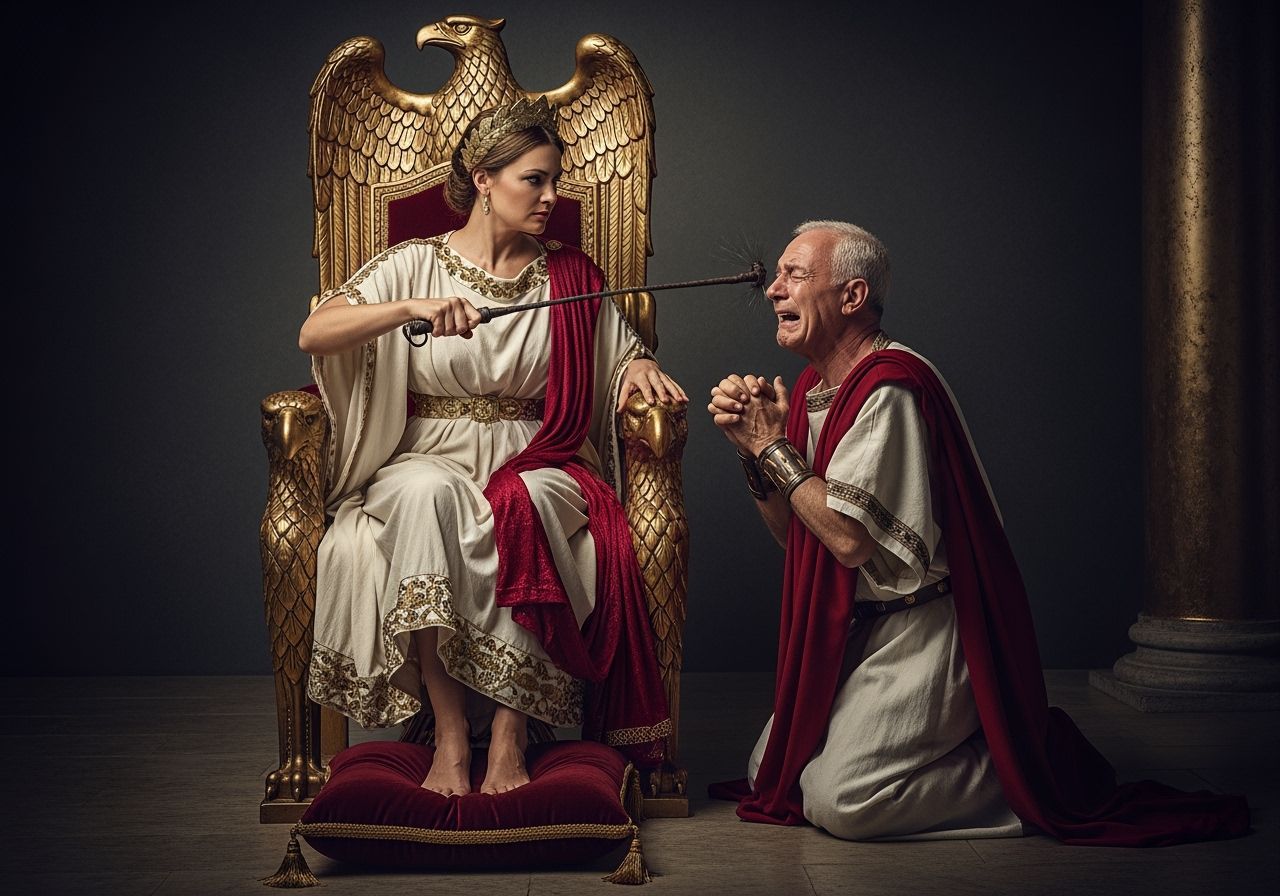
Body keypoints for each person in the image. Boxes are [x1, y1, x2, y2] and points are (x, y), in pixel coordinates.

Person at [706, 220, 1250, 845]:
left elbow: (852, 541)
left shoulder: (889, 389)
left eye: (795, 275)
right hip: (862, 627)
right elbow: (801, 537)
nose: (773, 289)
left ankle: (1022, 768)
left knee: (843, 802)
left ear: (852, 297)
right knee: (771, 773)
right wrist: (756, 458)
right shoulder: (811, 388)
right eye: (777, 275)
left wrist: (774, 448)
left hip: (929, 631)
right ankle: (977, 746)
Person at [300, 96, 682, 797]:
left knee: (527, 499)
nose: (551, 196)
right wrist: (409, 309)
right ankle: (450, 737)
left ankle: (509, 738)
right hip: (429, 450)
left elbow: (615, 350)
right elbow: (317, 332)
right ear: (483, 179)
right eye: (534, 179)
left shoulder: (569, 276)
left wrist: (638, 367)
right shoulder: (415, 264)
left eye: (555, 181)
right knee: (424, 493)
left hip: (540, 453)